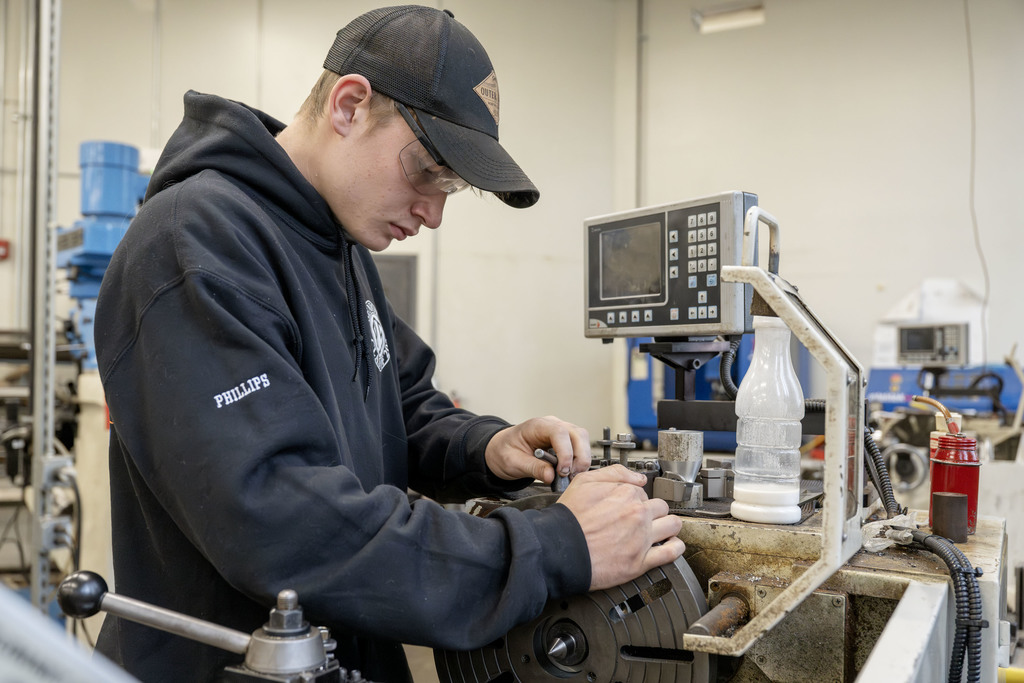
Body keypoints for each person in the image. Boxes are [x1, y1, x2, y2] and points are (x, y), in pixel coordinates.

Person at [92, 5, 684, 682]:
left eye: (451, 187)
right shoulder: (195, 245)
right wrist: (552, 547)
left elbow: (399, 403)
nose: (433, 212)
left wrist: (485, 447)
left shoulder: (337, 244)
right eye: (427, 171)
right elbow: (280, 520)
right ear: (349, 105)